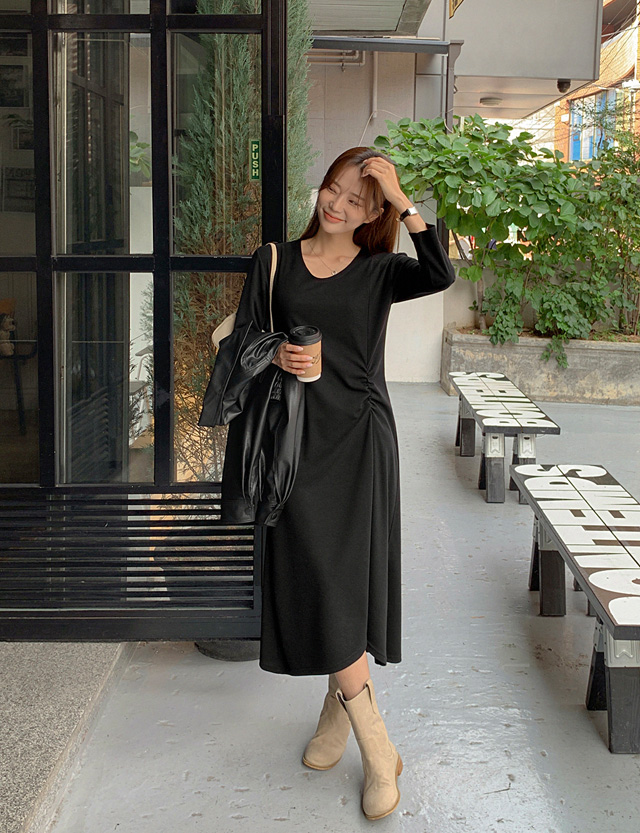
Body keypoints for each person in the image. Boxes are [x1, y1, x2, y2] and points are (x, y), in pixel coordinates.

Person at [231, 147, 456, 820]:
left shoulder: (381, 270)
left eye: (358, 200)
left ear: (373, 213)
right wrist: (276, 352)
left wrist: (403, 197)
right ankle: (363, 731)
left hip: (359, 440)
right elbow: (243, 340)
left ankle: (369, 744)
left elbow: (440, 272)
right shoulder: (274, 259)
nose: (338, 204)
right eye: (334, 189)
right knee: (320, 578)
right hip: (295, 445)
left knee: (341, 582)